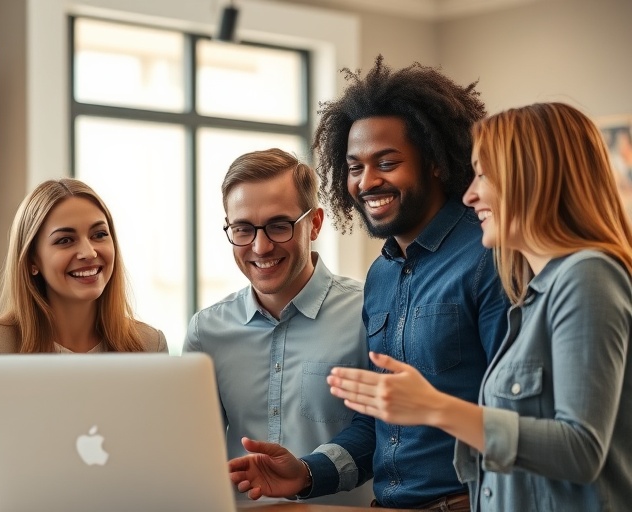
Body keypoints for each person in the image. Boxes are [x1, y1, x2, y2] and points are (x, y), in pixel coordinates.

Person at [228, 56, 509, 510]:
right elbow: (381, 425)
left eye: (387, 162)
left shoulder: (488, 257)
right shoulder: (382, 275)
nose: (367, 182)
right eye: (354, 167)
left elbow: (521, 421)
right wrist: (306, 473)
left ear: (436, 162)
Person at [328, 102, 632, 511]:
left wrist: (434, 407)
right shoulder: (540, 293)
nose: (469, 195)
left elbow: (580, 449)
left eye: (483, 175)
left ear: (533, 178)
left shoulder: (588, 275)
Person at [184, 148, 373, 506]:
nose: (260, 246)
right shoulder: (206, 331)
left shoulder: (369, 312)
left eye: (279, 226)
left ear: (314, 223)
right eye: (243, 229)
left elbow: (387, 433)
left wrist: (309, 471)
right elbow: (191, 454)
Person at [0, 178, 167, 354]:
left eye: (99, 235)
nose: (89, 253)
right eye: (65, 240)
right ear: (32, 260)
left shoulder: (150, 345)